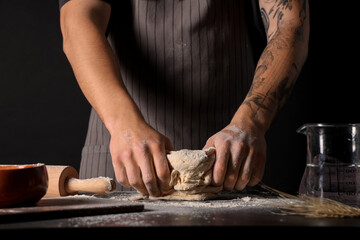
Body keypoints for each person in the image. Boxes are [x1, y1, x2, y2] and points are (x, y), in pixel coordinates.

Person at [59, 0, 309, 197]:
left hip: (233, 162)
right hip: (121, 161)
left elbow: (289, 23)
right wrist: (123, 125)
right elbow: (79, 20)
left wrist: (251, 122)